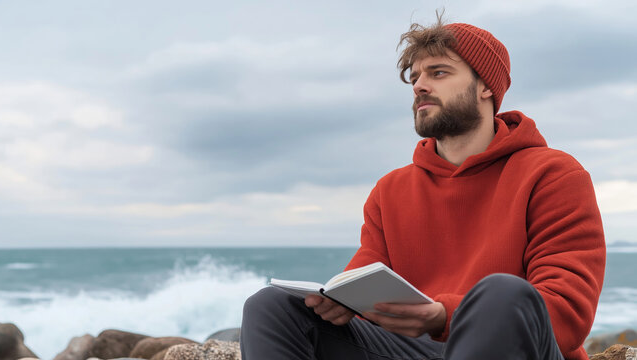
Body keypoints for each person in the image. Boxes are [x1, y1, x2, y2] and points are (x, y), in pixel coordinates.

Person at [239, 15, 605, 360]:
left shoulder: (553, 175)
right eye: (415, 77)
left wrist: (444, 315)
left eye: (439, 72)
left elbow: (566, 315)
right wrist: (339, 303)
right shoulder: (391, 190)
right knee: (271, 305)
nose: (420, 86)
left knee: (503, 294)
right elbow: (364, 289)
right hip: (416, 351)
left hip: (514, 348)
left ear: (486, 87)